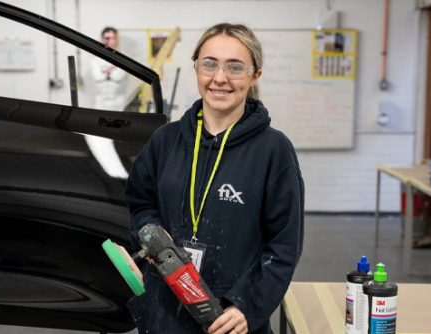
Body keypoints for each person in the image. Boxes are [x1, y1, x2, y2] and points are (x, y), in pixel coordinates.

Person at [125, 23, 304, 334]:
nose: (220, 78)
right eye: (210, 64)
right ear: (196, 68)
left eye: (235, 67)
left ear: (255, 75)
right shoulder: (165, 140)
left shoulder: (274, 151)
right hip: (164, 312)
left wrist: (249, 305)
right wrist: (152, 237)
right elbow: (140, 203)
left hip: (229, 319)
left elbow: (284, 246)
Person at [90, 26, 127, 110]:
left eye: (113, 38)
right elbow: (98, 76)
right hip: (100, 104)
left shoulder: (123, 59)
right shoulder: (95, 61)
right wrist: (112, 69)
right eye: (108, 38)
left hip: (118, 104)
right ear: (102, 39)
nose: (111, 41)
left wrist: (105, 71)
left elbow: (118, 76)